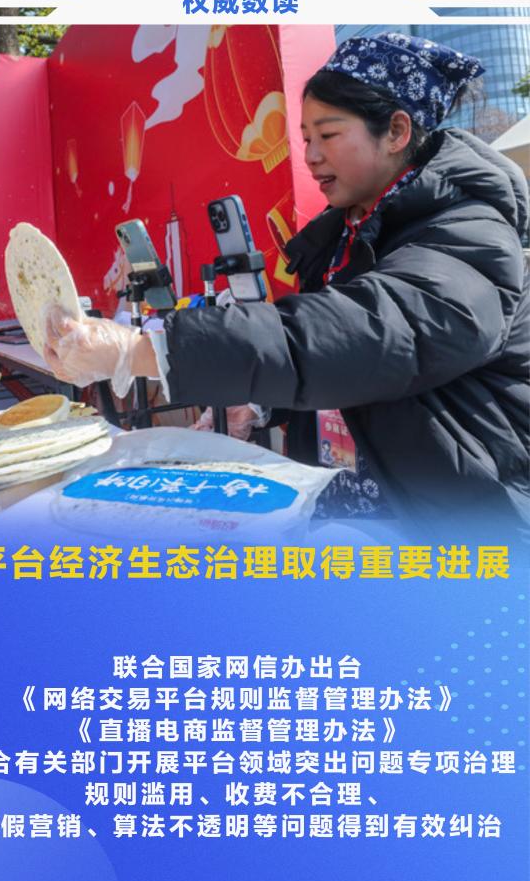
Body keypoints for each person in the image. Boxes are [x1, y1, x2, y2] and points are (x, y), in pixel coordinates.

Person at [44, 32, 530, 534]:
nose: (311, 156)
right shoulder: (346, 234)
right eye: (305, 139)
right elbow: (325, 365)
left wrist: (147, 351)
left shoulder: (470, 233)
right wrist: (258, 402)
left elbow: (364, 335)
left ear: (396, 131)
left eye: (328, 134)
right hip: (364, 497)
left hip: (465, 520)